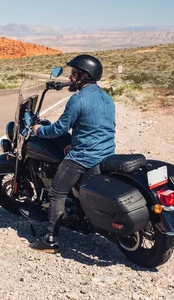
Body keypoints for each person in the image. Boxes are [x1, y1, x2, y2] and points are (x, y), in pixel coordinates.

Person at [22, 54, 116, 253]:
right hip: (105, 153)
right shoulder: (106, 97)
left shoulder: (78, 99)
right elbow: (96, 127)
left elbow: (59, 130)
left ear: (84, 75)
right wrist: (74, 143)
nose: (70, 77)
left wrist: (39, 130)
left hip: (84, 157)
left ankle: (50, 241)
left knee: (57, 192)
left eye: (74, 73)